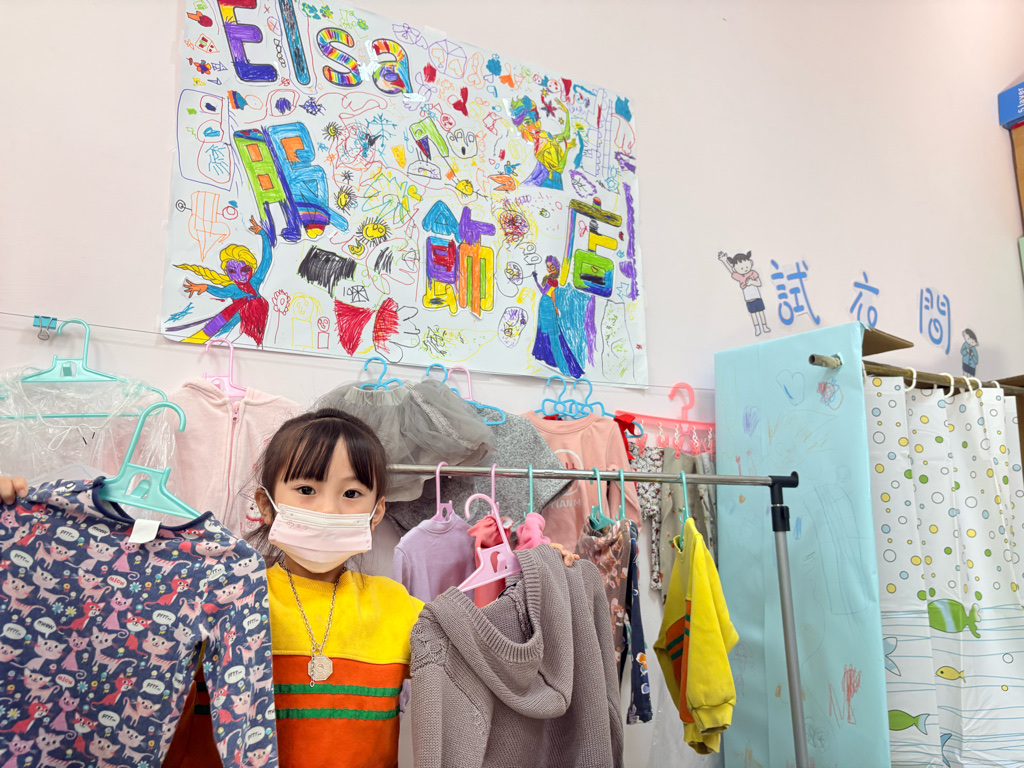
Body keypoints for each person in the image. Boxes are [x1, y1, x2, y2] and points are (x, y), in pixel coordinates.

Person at [2, 408, 578, 767]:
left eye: (351, 495)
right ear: (264, 502)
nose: (328, 507)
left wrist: (540, 576)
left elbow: (491, 654)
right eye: (306, 489)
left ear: (377, 511)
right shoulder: (219, 590)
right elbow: (91, 624)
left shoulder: (399, 608)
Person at [167, 216, 274, 346]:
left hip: (257, 326)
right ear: (227, 272)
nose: (239, 276)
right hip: (238, 323)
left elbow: (267, 260)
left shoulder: (255, 281)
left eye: (244, 270)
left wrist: (263, 234)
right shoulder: (233, 289)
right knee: (224, 339)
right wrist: (205, 287)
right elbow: (221, 292)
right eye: (232, 271)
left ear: (251, 267)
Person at [532, 256, 585, 378]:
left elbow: (544, 292)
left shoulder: (552, 281)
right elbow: (553, 294)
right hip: (547, 304)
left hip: (546, 304)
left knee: (547, 329)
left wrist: (535, 280)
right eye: (548, 266)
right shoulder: (552, 280)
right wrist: (555, 306)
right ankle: (543, 354)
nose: (549, 268)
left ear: (556, 267)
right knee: (545, 328)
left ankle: (548, 356)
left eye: (552, 266)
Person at [717, 250, 770, 337]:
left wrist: (752, 282)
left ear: (750, 263)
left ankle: (764, 326)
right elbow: (731, 271)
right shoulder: (740, 277)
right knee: (753, 314)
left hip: (757, 298)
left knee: (761, 312)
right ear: (735, 268)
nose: (745, 269)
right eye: (741, 268)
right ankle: (757, 328)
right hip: (749, 300)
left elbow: (759, 283)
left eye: (746, 266)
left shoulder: (753, 273)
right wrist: (724, 261)